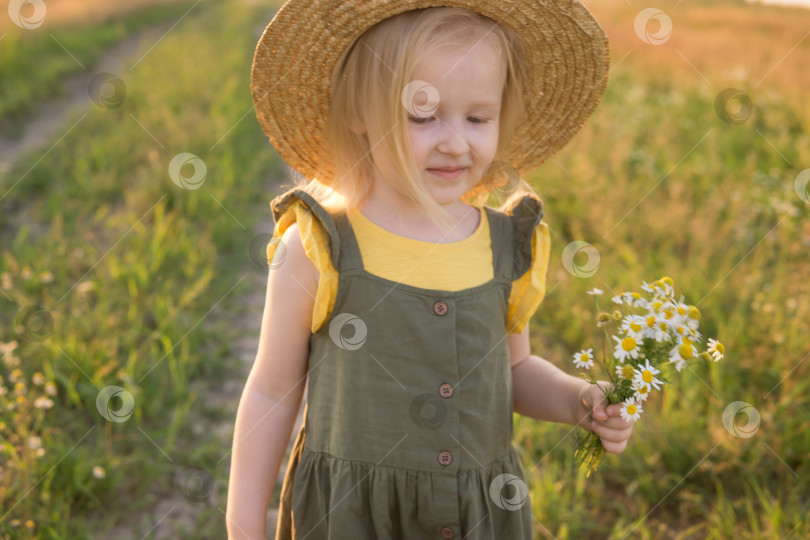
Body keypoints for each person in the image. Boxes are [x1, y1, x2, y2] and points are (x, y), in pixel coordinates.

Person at [227, 1, 633, 539]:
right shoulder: (320, 245)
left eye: (478, 118)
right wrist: (243, 524)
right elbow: (273, 390)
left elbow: (513, 373)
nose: (455, 141)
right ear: (358, 112)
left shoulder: (502, 245)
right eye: (422, 115)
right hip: (351, 517)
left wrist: (576, 400)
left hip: (476, 515)